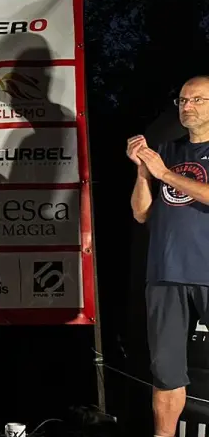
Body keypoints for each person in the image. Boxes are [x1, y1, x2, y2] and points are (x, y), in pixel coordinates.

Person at [128, 75, 209, 437]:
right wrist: (144, 172)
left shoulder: (166, 163)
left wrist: (163, 173)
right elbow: (141, 213)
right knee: (166, 371)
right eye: (182, 100)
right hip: (165, 272)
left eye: (197, 100)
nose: (187, 107)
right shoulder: (168, 151)